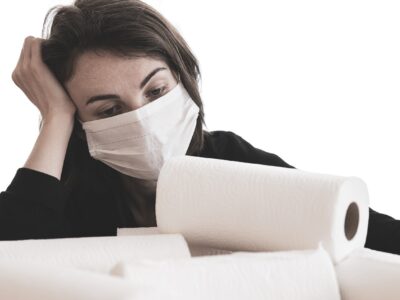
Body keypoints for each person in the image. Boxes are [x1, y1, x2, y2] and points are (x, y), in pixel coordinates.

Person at [1, 0, 399, 255]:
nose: (141, 119)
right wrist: (55, 117)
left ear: (184, 82)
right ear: (80, 124)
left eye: (156, 91)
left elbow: (372, 234)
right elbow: (14, 264)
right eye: (108, 111)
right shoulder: (64, 192)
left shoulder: (232, 161)